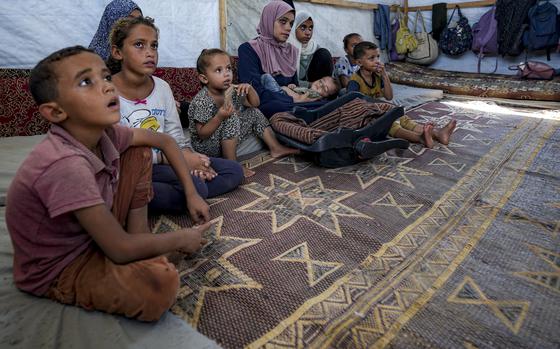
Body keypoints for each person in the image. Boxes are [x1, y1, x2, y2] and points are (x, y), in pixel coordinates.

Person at [5, 46, 211, 321]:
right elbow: (118, 249)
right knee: (159, 284)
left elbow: (163, 140)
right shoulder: (65, 164)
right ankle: (139, 249)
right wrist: (182, 238)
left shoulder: (107, 134)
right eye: (86, 82)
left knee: (139, 150)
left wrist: (190, 193)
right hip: (62, 266)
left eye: (105, 77)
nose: (106, 87)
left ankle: (140, 237)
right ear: (55, 112)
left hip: (93, 235)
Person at [109, 17, 244, 212]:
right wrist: (178, 162)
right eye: (139, 44)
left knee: (233, 171)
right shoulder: (106, 92)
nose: (149, 52)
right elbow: (117, 151)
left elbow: (176, 136)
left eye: (154, 46)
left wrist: (192, 160)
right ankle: (139, 196)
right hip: (132, 169)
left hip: (169, 161)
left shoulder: (162, 88)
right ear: (117, 52)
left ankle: (153, 197)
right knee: (196, 186)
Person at [190, 49, 299, 178]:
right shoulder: (203, 100)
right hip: (207, 146)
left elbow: (255, 104)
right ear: (204, 78)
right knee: (231, 117)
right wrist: (220, 116)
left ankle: (276, 148)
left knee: (253, 112)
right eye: (219, 70)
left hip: (224, 138)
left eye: (228, 69)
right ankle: (232, 164)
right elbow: (202, 134)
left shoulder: (231, 90)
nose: (226, 74)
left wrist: (250, 89)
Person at [348, 41, 456, 148]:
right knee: (390, 124)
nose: (377, 61)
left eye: (378, 57)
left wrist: (385, 75)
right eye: (371, 58)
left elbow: (389, 96)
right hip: (365, 116)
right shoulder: (355, 81)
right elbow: (354, 105)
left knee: (402, 117)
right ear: (359, 62)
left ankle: (438, 134)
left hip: (378, 109)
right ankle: (420, 138)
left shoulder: (377, 76)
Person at [237, 0, 326, 118]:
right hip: (267, 103)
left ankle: (316, 110)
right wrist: (293, 99)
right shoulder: (248, 49)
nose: (289, 28)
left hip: (292, 102)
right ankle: (316, 112)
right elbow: (255, 91)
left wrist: (299, 93)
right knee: (275, 106)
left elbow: (294, 85)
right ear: (269, 19)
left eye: (291, 23)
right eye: (283, 22)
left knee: (321, 101)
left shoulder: (291, 51)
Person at [288, 11, 334, 87]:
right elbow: (285, 80)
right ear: (294, 27)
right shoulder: (287, 47)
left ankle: (324, 91)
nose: (308, 33)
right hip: (294, 86)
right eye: (303, 27)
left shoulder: (314, 47)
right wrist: (309, 85)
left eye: (310, 28)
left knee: (324, 53)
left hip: (316, 86)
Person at [261, 73, 340, 102]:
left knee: (266, 77)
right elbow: (298, 92)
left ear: (326, 97)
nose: (319, 85)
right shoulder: (309, 90)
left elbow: (298, 97)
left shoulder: (314, 97)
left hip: (281, 97)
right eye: (320, 81)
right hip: (282, 95)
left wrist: (286, 88)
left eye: (324, 89)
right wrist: (293, 87)